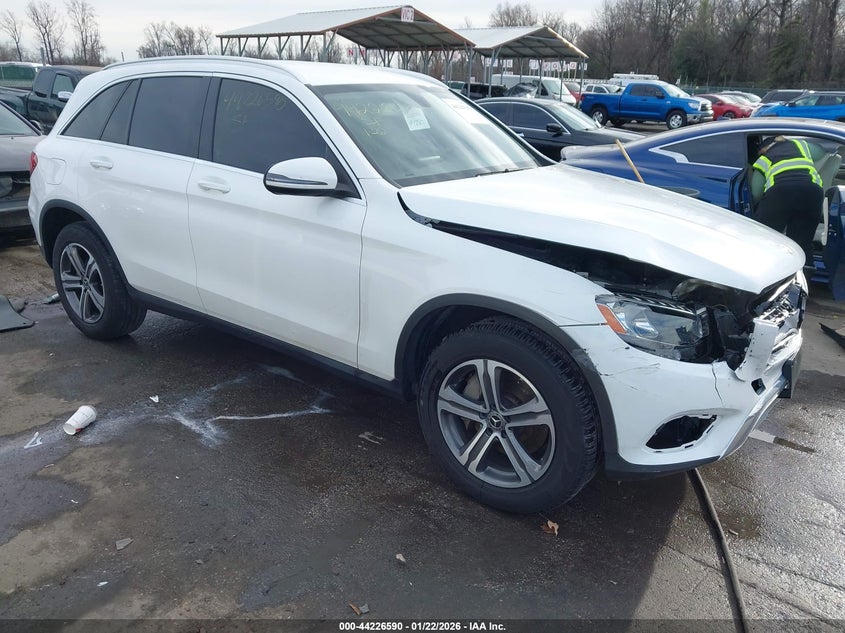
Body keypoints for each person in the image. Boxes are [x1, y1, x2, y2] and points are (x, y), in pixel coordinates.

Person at [752, 135, 824, 267]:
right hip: (812, 192)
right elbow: (820, 152)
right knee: (802, 243)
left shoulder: (764, 159)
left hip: (780, 193)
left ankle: (767, 274)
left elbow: (755, 193)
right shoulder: (801, 145)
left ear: (764, 149)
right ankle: (804, 278)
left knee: (764, 238)